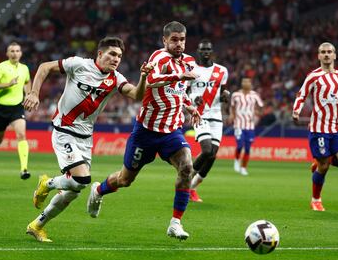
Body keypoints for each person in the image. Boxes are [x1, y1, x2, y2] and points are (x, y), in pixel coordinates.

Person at [23, 36, 155, 242]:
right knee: (82, 179)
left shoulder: (116, 79)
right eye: (112, 54)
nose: (116, 59)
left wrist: (144, 78)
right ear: (100, 53)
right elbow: (44, 67)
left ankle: (37, 225)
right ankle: (47, 184)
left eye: (119, 56)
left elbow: (136, 95)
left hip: (86, 138)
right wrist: (33, 92)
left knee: (74, 190)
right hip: (64, 130)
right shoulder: (79, 64)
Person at [86, 21, 201, 241]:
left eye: (182, 39)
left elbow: (178, 90)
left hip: (171, 131)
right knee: (125, 180)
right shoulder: (159, 58)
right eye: (174, 40)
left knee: (187, 167)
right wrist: (178, 77)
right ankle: (98, 191)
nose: (179, 44)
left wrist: (188, 104)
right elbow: (151, 82)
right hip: (146, 132)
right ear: (164, 40)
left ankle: (175, 223)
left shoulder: (188, 61)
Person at [292, 42, 338, 212]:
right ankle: (316, 199)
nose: (326, 55)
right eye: (323, 52)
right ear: (318, 56)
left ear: (334, 55)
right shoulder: (313, 76)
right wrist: (296, 111)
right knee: (324, 167)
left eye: (329, 52)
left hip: (336, 128)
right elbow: (302, 95)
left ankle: (321, 159)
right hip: (319, 128)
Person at [186, 39, 229, 202]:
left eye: (208, 49)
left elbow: (224, 92)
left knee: (212, 155)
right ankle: (187, 178)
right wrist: (193, 98)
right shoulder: (192, 70)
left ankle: (192, 188)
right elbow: (185, 92)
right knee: (206, 150)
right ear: (198, 51)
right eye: (203, 50)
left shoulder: (222, 70)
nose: (205, 52)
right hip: (200, 114)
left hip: (216, 116)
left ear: (212, 51)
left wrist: (227, 96)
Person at [0, 42, 32, 180]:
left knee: (22, 135)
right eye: (12, 51)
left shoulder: (24, 69)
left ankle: (24, 169)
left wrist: (28, 95)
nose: (15, 53)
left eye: (17, 51)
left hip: (17, 107)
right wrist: (7, 84)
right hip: (1, 108)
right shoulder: (1, 67)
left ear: (21, 53)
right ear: (7, 53)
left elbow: (27, 81)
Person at [228, 77, 264, 175]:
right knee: (239, 145)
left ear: (251, 83)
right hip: (238, 124)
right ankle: (236, 160)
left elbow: (261, 107)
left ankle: (243, 167)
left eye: (247, 81)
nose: (246, 83)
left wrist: (258, 113)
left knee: (248, 148)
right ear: (241, 83)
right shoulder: (236, 95)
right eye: (244, 81)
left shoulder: (255, 95)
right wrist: (232, 115)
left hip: (250, 125)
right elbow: (232, 106)